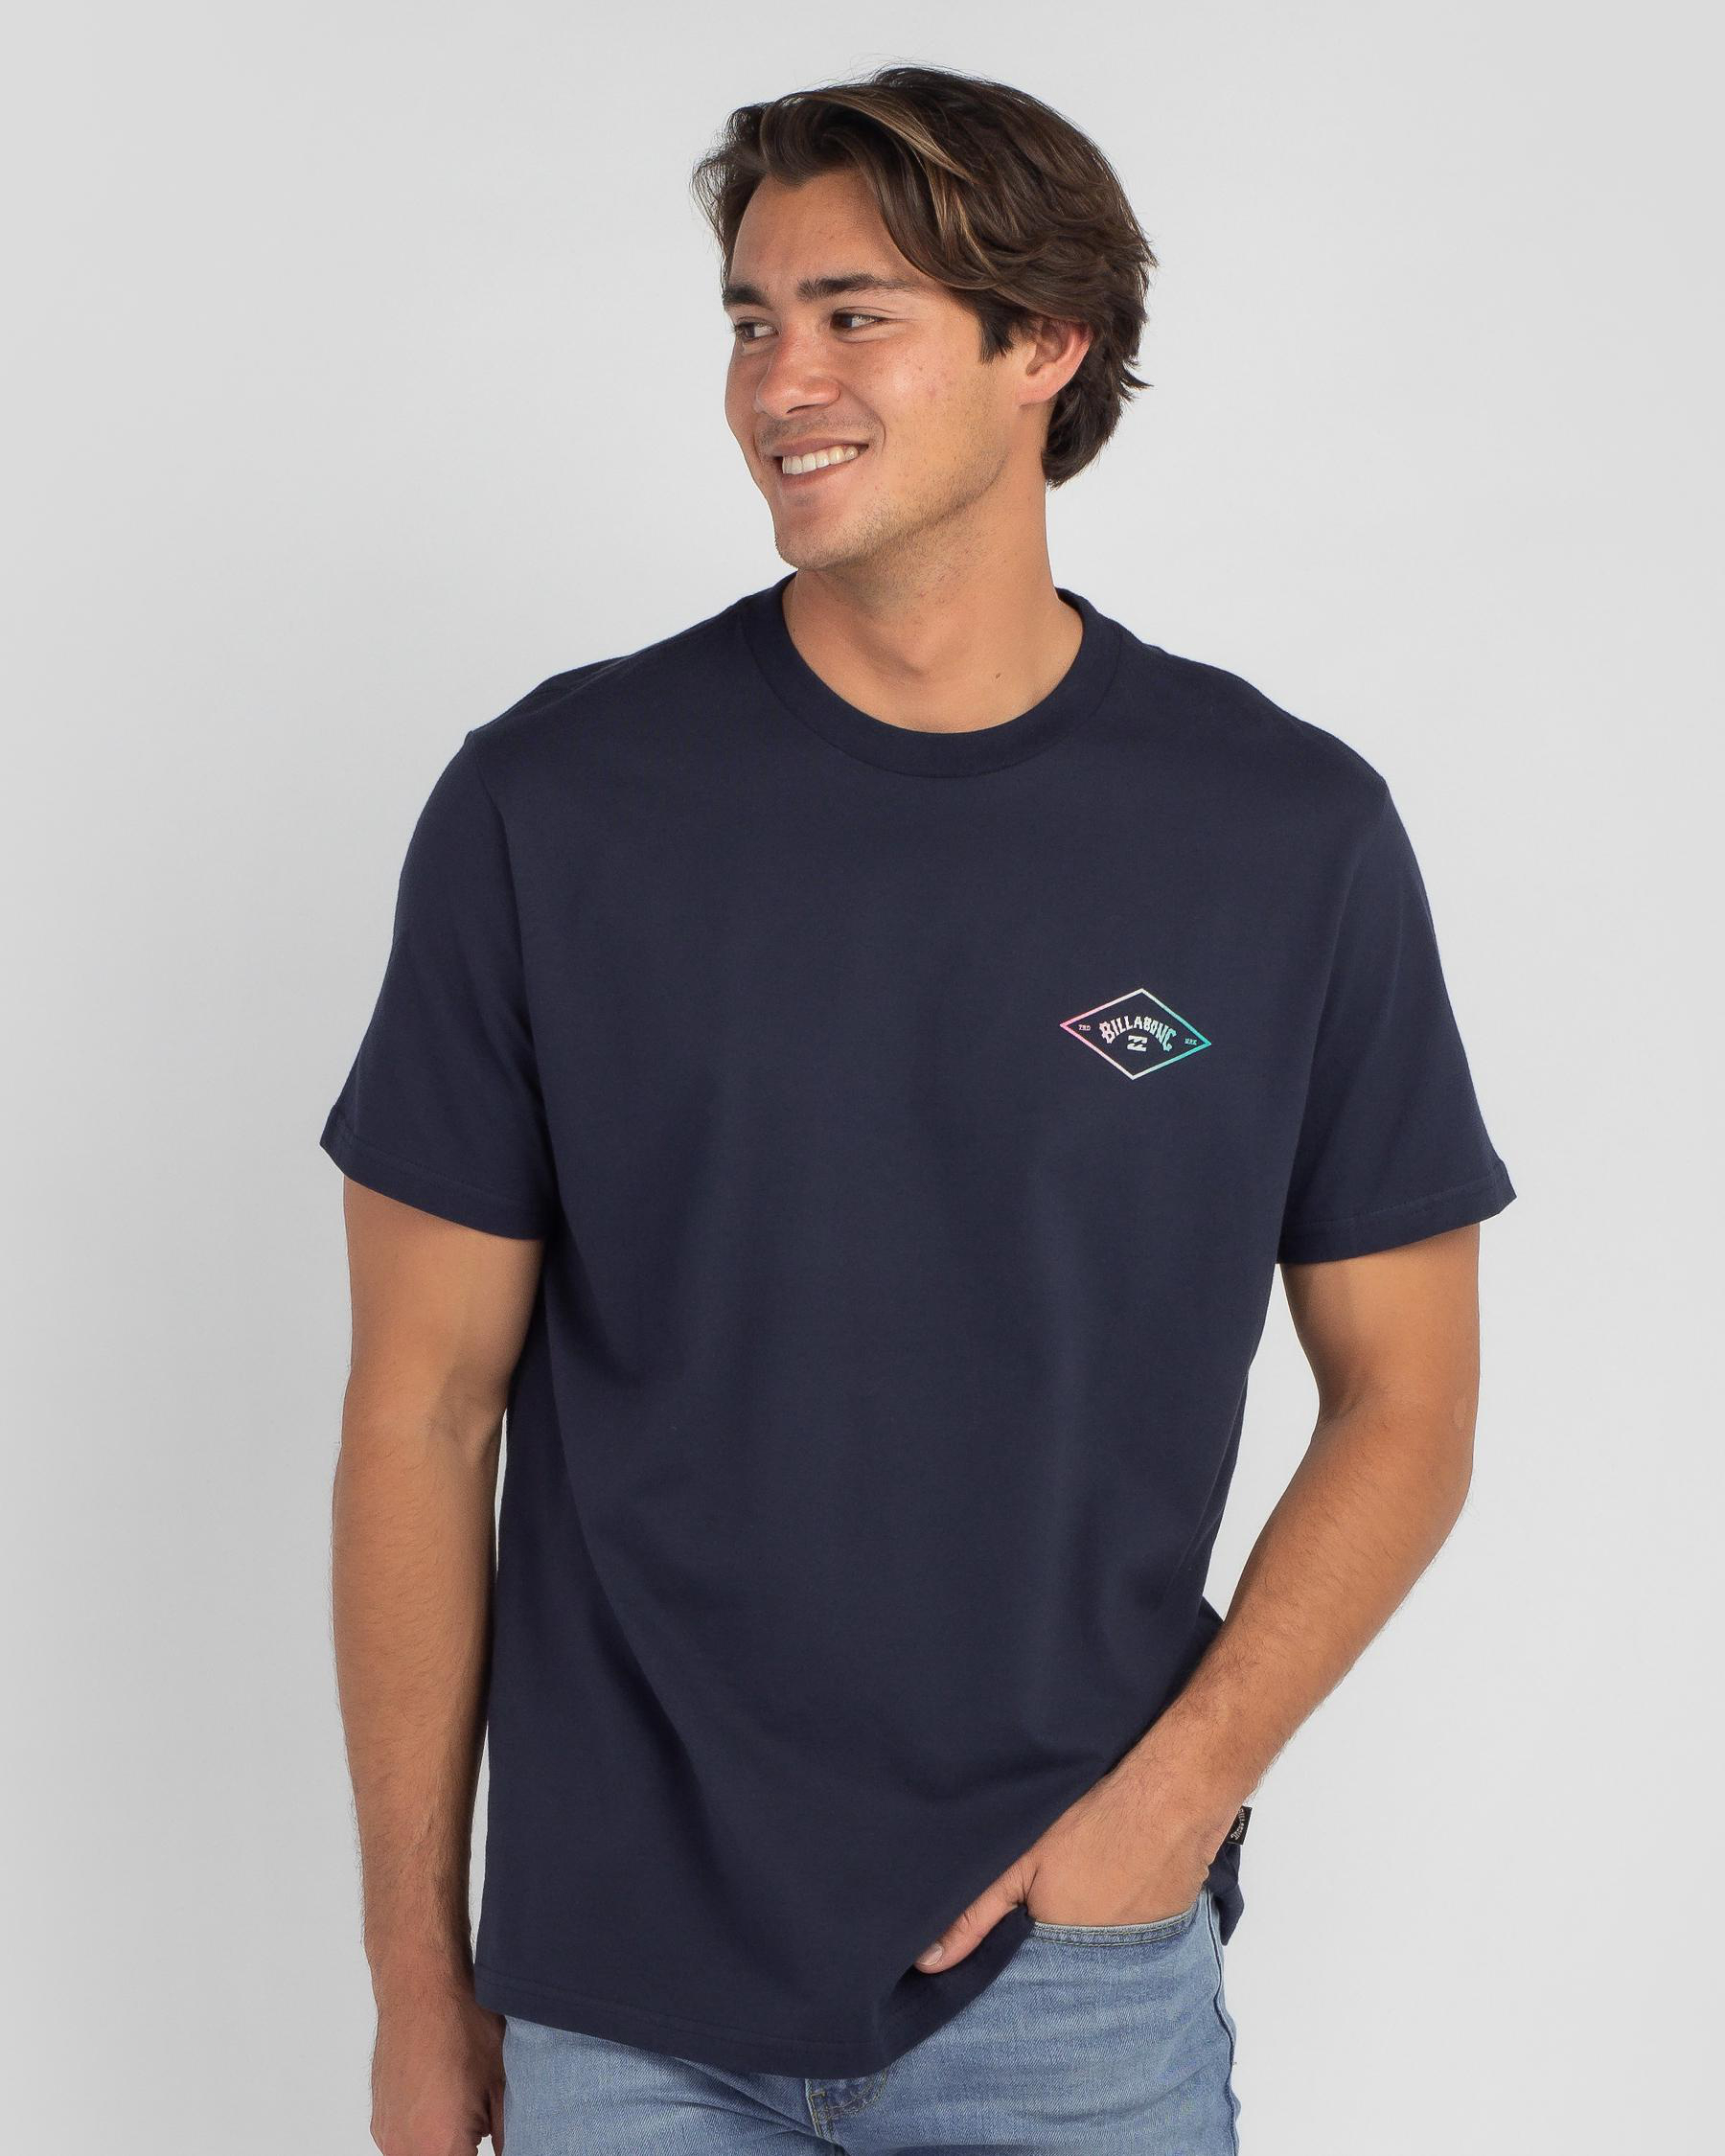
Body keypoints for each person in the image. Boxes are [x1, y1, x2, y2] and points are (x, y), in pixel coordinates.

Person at [321, 61, 1516, 2156]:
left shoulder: (1282, 835)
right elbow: (422, 1409)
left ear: (1045, 343)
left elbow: (1408, 1399)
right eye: (751, 319)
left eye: (853, 314)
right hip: (620, 2001)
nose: (780, 380)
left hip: (1071, 1986)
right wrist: (420, 1985)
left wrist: (1171, 1808)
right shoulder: (551, 807)